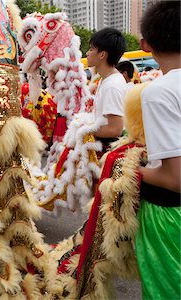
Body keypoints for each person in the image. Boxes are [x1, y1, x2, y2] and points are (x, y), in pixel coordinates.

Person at [136, 2, 181, 299]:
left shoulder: (158, 91)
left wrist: (126, 168)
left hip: (170, 217)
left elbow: (175, 178)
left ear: (145, 44)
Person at [86, 28, 127, 151]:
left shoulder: (112, 85)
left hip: (107, 149)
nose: (87, 53)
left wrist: (84, 130)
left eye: (91, 49)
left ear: (102, 55)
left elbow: (115, 129)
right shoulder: (106, 80)